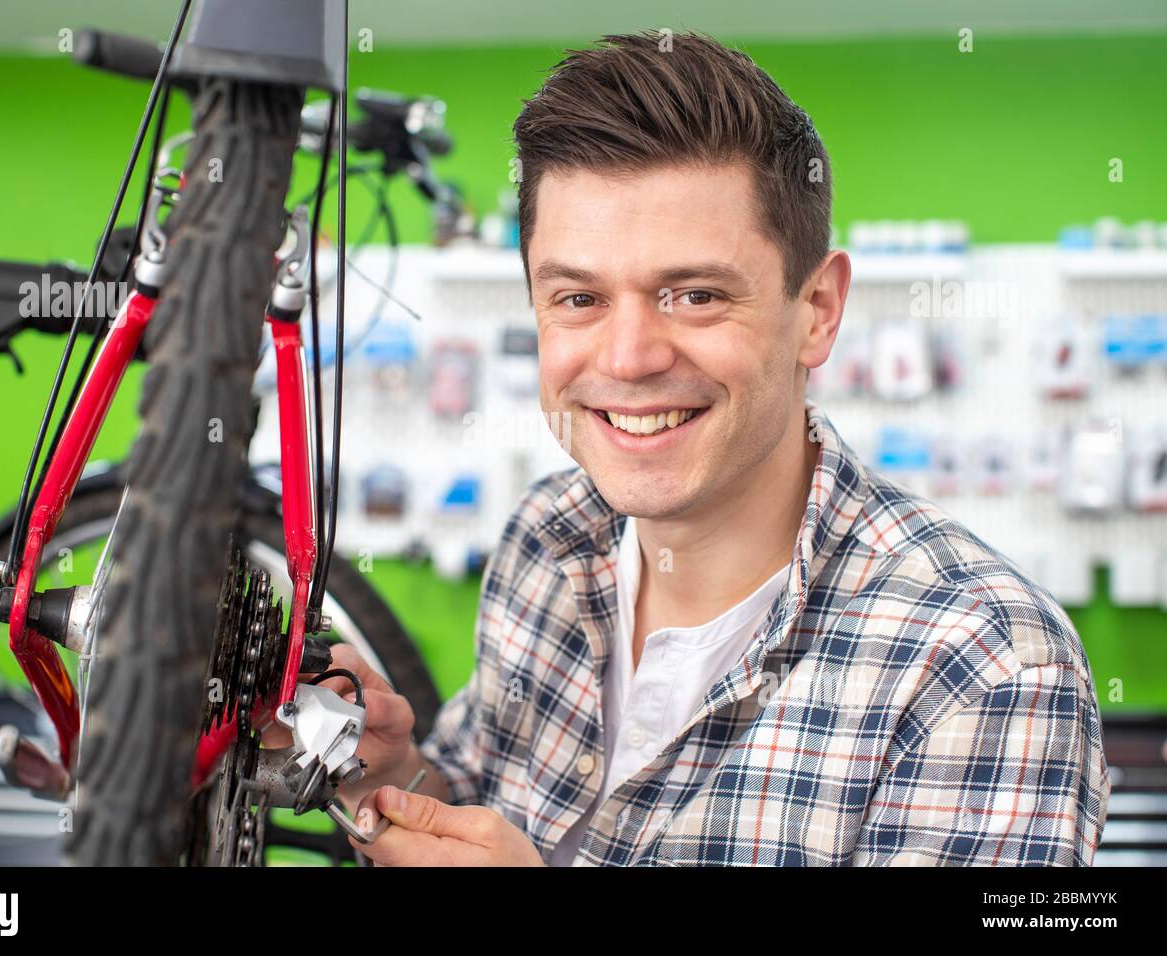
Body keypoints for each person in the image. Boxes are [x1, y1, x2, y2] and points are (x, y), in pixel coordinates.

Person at [318, 30, 1110, 866]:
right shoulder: (547, 537)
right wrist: (388, 777)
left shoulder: (988, 665)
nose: (627, 358)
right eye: (578, 296)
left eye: (694, 295)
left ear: (818, 311)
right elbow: (479, 811)